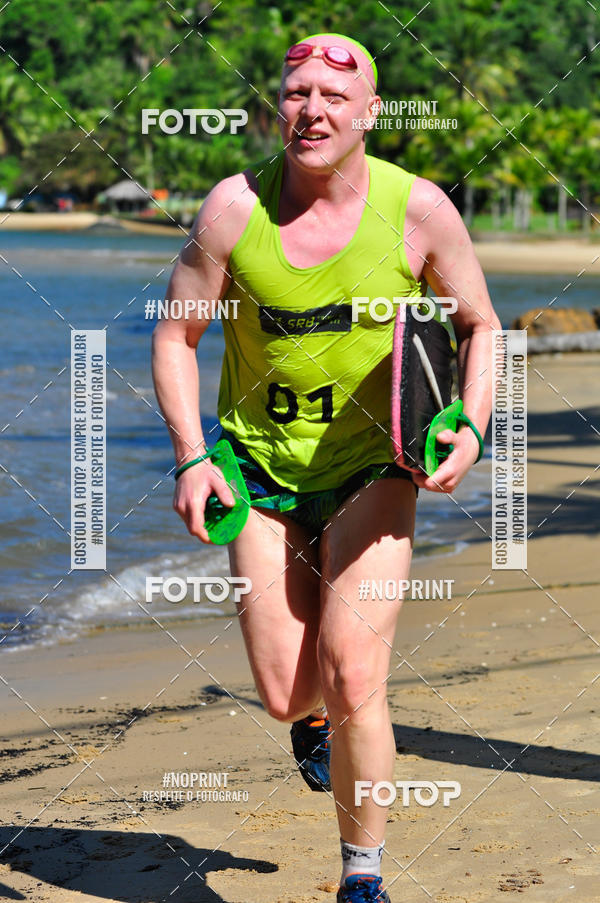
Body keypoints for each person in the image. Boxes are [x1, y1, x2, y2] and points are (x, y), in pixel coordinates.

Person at [152, 32, 501, 903]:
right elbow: (175, 335)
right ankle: (307, 720)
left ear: (370, 113)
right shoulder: (234, 208)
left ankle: (362, 872)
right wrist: (192, 456)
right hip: (255, 468)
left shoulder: (417, 210)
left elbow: (481, 326)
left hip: (371, 466)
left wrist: (472, 425)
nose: (311, 110)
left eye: (333, 97)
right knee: (284, 690)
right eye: (296, 92)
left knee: (356, 671)